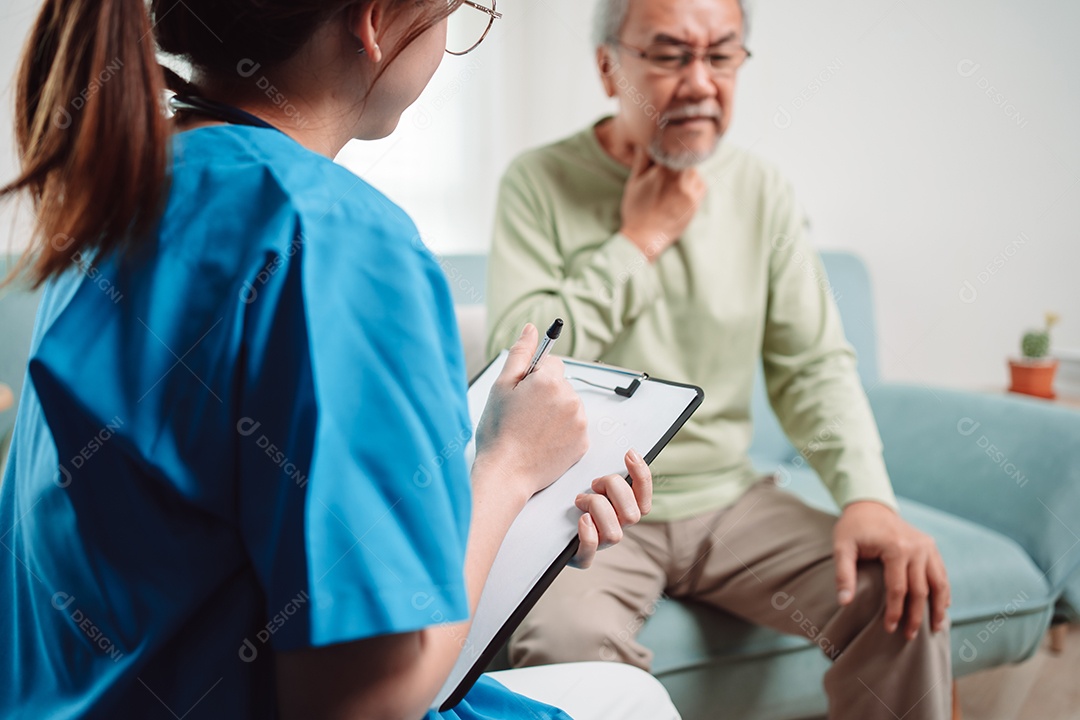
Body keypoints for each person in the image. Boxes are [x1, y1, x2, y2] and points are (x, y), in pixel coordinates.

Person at [0, 1, 682, 718]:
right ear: (375, 20)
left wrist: (508, 522)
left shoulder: (127, 188)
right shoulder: (341, 240)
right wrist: (508, 471)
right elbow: (366, 702)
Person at [485, 0, 954, 717]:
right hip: (590, 505)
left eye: (722, 54)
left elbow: (812, 366)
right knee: (569, 648)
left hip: (730, 501)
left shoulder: (760, 190)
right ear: (609, 67)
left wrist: (867, 497)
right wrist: (640, 241)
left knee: (899, 593)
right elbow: (520, 367)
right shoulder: (536, 182)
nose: (701, 82)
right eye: (670, 54)